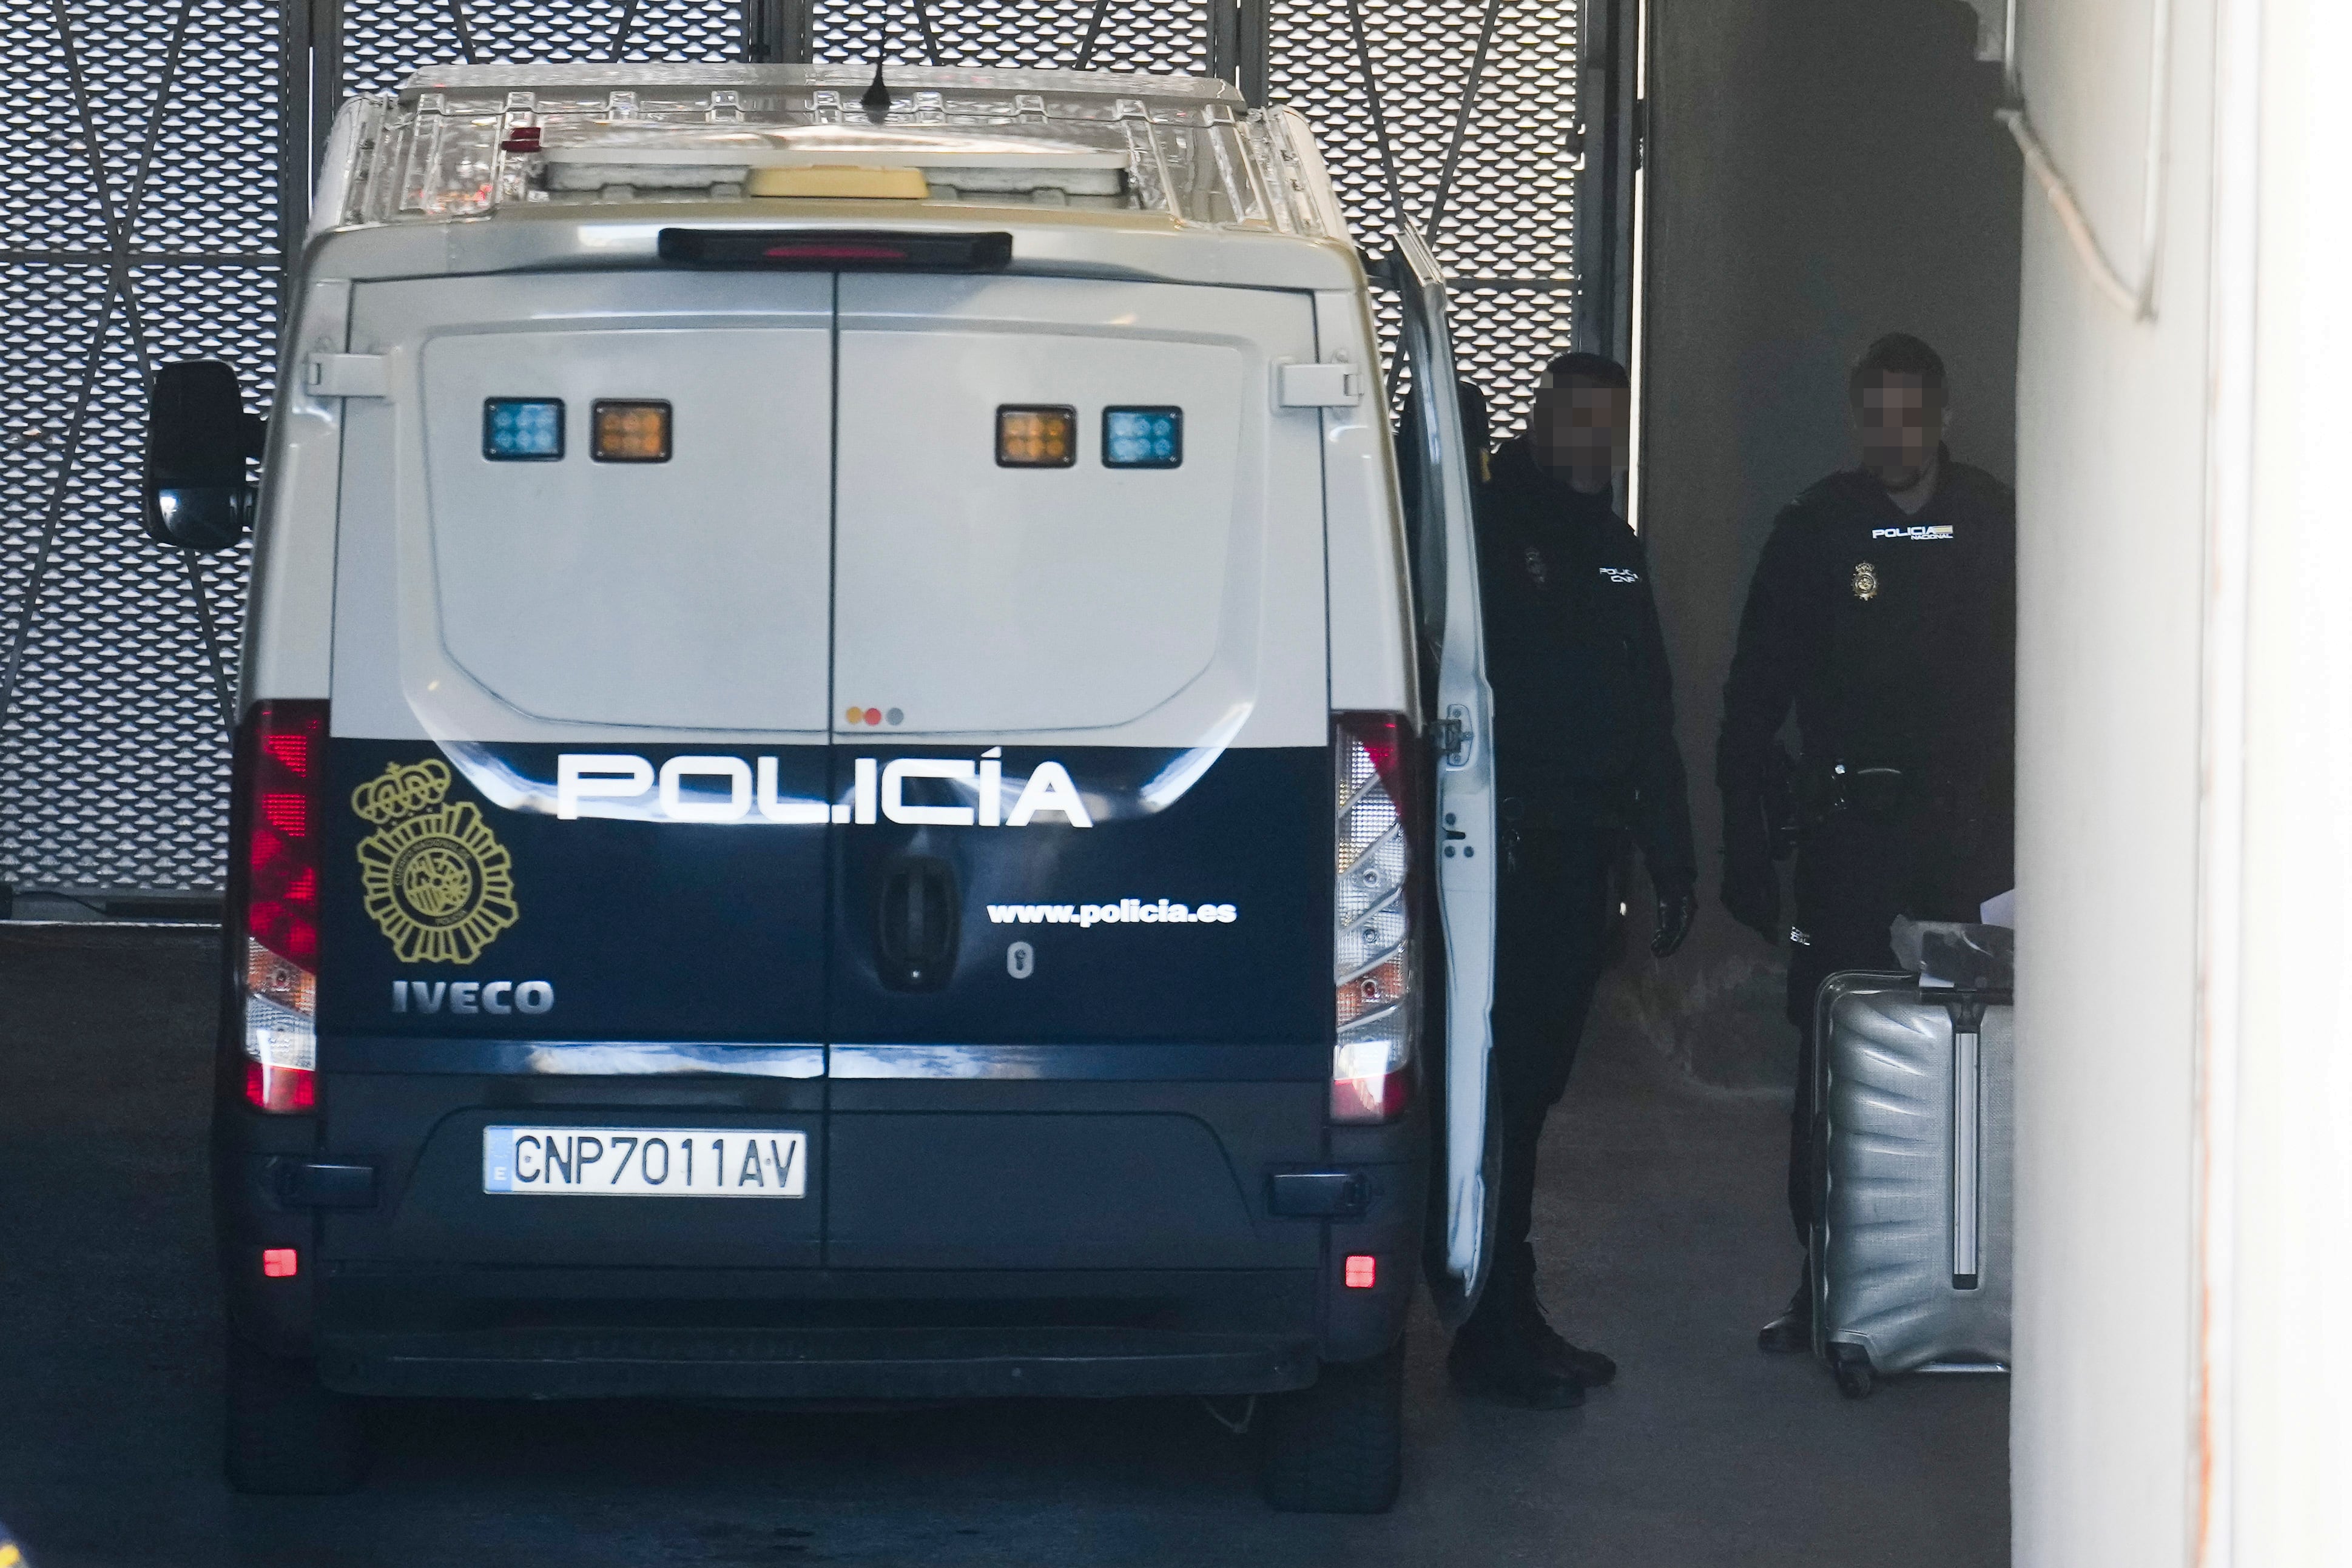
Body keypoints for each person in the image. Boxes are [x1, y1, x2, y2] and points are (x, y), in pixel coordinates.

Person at [1716, 332, 2017, 1353]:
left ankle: (1976, 1286)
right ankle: (1827, 1283)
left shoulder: (1991, 523)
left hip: (1970, 847)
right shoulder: (1816, 528)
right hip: (1849, 841)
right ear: (1856, 421)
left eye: (1910, 413)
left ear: (1941, 415)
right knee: (1834, 1060)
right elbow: (1752, 696)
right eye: (1874, 414)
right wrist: (1744, 848)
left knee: (1980, 1051)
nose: (1893, 434)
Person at [1447, 351, 1697, 1408]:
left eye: (1610, 426)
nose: (1592, 444)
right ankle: (1489, 1310)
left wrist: (1670, 852)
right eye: (1576, 421)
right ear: (1542, 419)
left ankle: (1508, 1302)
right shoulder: (1492, 531)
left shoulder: (1614, 548)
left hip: (1580, 858)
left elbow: (1648, 713)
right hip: (1504, 854)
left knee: (1537, 1090)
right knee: (1503, 1090)